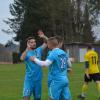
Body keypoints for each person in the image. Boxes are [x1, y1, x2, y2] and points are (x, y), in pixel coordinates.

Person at [20, 30, 48, 100]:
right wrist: (27, 49)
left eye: (34, 42)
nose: (34, 43)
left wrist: (43, 37)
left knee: (38, 98)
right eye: (31, 42)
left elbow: (47, 43)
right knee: (26, 98)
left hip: (38, 80)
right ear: (28, 44)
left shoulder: (38, 50)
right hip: (29, 80)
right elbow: (22, 58)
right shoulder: (27, 53)